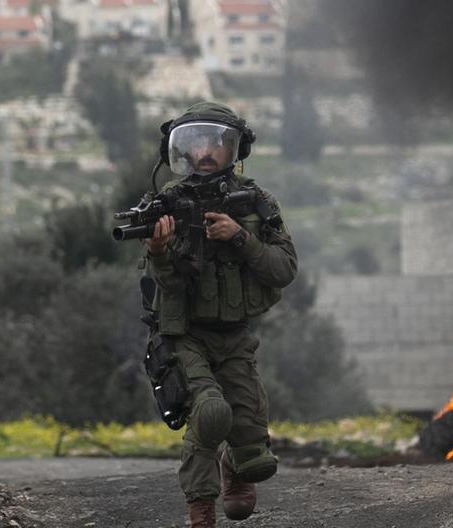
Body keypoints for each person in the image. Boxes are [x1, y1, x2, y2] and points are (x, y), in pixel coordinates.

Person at [142, 101, 298, 527]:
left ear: (234, 149)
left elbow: (284, 269)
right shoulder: (168, 204)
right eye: (196, 144)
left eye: (215, 143)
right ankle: (200, 507)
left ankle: (235, 464)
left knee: (257, 460)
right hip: (185, 334)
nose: (205, 152)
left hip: (235, 337)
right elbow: (169, 288)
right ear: (182, 151)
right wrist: (158, 252)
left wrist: (240, 237)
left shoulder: (257, 202)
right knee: (211, 412)